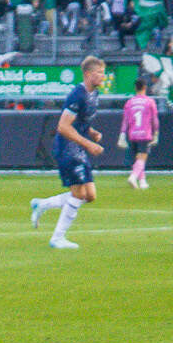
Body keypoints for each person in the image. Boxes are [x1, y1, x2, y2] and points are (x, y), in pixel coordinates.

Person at [29, 56, 106, 250]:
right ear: (88, 74)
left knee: (90, 195)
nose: (103, 77)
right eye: (99, 73)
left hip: (78, 147)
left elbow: (80, 122)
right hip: (68, 148)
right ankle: (57, 238)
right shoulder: (77, 95)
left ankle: (43, 204)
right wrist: (88, 144)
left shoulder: (94, 94)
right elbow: (63, 127)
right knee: (78, 194)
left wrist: (91, 132)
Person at [121, 74, 160, 189]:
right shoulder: (149, 101)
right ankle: (133, 177)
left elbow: (125, 120)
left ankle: (142, 182)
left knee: (138, 159)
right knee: (142, 158)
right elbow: (154, 119)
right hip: (144, 133)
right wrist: (156, 133)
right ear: (145, 87)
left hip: (132, 134)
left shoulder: (130, 102)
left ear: (135, 88)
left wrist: (122, 135)